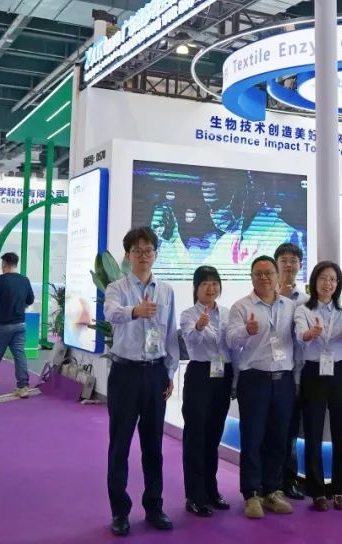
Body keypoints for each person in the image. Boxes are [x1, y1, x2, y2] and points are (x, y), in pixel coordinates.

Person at [103, 227, 179, 536]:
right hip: (125, 374)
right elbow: (111, 314)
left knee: (153, 445)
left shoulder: (166, 291)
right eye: (137, 251)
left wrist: (170, 373)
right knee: (120, 445)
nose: (144, 256)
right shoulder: (117, 288)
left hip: (155, 373)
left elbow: (170, 334)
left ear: (156, 254)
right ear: (128, 255)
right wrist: (135, 310)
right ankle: (120, 512)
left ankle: (154, 506)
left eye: (149, 251)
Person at [225, 256, 298, 519]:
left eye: (269, 273)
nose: (264, 278)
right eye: (259, 273)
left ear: (278, 276)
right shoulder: (241, 306)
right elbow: (230, 341)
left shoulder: (290, 306)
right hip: (254, 379)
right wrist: (246, 330)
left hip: (284, 379)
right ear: (252, 277)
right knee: (252, 438)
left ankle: (272, 490)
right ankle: (251, 494)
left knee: (279, 438)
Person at [295, 262, 342, 512]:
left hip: (339, 371)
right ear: (314, 281)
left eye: (332, 279)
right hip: (313, 372)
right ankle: (317, 491)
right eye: (323, 278)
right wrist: (311, 333)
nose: (328, 283)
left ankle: (341, 489)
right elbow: (300, 336)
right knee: (313, 434)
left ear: (338, 284)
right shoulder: (303, 310)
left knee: (341, 433)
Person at [179, 265, 233, 518]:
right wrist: (199, 327)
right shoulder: (188, 314)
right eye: (205, 284)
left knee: (213, 436)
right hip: (200, 374)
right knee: (195, 437)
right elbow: (190, 341)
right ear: (196, 288)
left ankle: (212, 490)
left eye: (214, 283)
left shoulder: (228, 313)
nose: (210, 288)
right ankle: (195, 496)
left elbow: (233, 346)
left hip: (223, 375)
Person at [274, 242, 306, 501]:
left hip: (296, 375)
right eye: (283, 260)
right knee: (269, 431)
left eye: (293, 260)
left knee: (290, 432)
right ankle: (268, 482)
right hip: (271, 373)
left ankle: (289, 480)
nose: (288, 264)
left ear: (300, 265)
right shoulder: (264, 296)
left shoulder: (305, 301)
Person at [0, 253, 34, 398]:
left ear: (3, 264)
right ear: (16, 264)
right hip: (20, 324)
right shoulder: (24, 280)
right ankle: (23, 387)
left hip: (2, 325)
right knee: (19, 355)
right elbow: (30, 299)